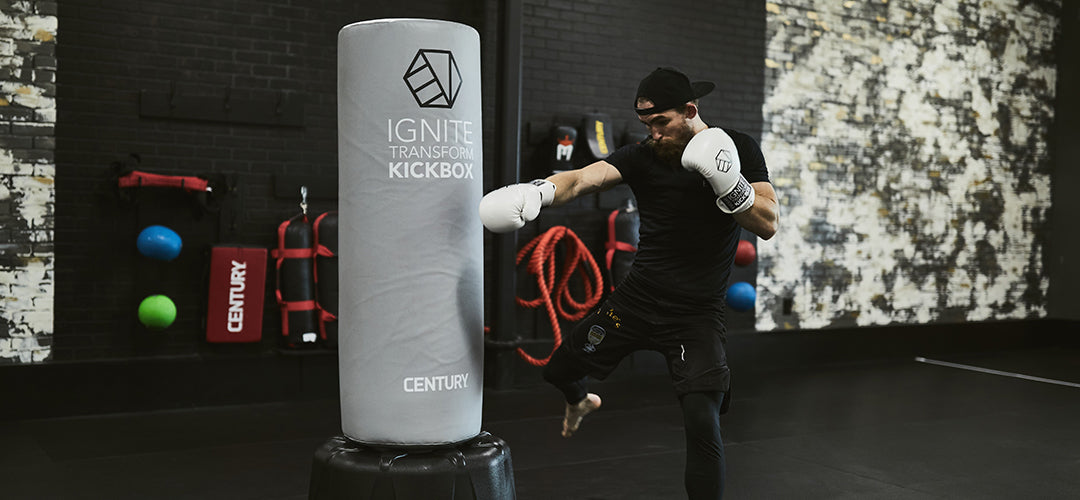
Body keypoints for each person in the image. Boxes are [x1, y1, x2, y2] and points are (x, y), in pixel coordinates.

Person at [478, 67, 779, 499]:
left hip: (696, 314)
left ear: (690, 111)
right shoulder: (643, 156)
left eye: (661, 123)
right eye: (646, 125)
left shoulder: (738, 149)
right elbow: (582, 178)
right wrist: (538, 192)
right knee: (561, 369)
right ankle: (580, 401)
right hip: (637, 301)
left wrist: (730, 185)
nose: (654, 134)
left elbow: (767, 223)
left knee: (701, 419)